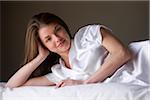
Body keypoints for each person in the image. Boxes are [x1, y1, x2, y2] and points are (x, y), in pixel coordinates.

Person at [5, 12, 149, 88]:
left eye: (58, 30)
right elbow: (12, 85)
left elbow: (122, 53)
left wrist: (85, 83)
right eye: (48, 39)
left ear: (64, 27)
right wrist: (40, 57)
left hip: (144, 60)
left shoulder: (87, 35)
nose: (57, 38)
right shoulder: (59, 72)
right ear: (42, 45)